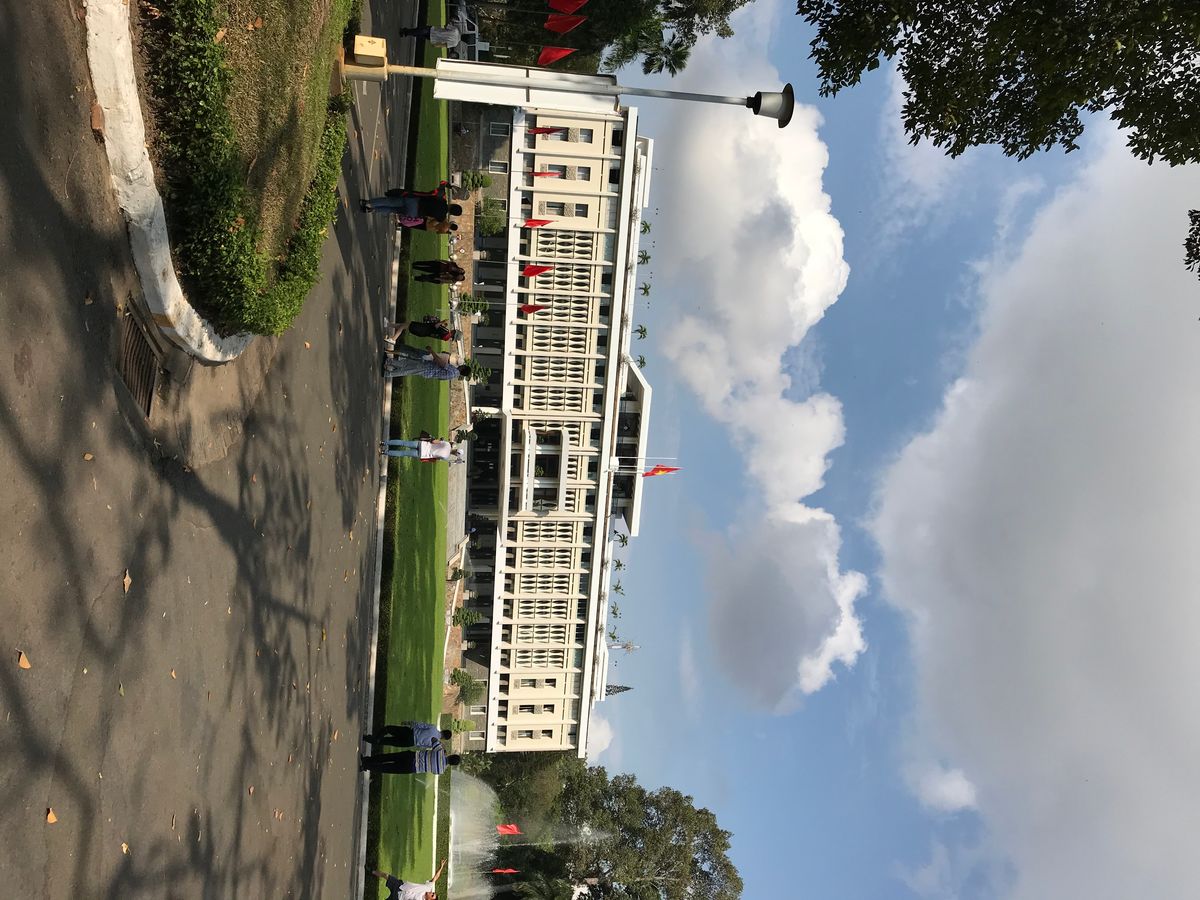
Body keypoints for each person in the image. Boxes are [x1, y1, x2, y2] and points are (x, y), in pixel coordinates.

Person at [360, 741, 462, 775]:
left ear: (451, 755)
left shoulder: (439, 751)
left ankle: (366, 759)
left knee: (388, 757)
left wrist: (442, 747)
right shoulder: (441, 770)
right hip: (412, 768)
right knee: (388, 768)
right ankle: (366, 766)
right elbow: (433, 770)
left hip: (411, 756)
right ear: (451, 765)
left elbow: (434, 739)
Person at [382, 344, 469, 381]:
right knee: (407, 366)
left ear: (463, 368)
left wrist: (432, 351)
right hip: (429, 373)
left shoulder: (454, 370)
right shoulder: (453, 376)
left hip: (427, 368)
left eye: (463, 366)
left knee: (407, 367)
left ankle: (388, 371)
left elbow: (441, 363)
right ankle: (389, 363)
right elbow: (440, 378)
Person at [367, 861, 447, 900]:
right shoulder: (428, 887)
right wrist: (441, 867)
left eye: (432, 895)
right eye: (433, 893)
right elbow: (436, 877)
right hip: (400, 885)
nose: (431, 893)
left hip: (398, 898)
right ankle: (371, 871)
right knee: (386, 876)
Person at [364, 721, 453, 748]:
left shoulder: (433, 728)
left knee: (388, 729)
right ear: (444, 739)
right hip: (411, 743)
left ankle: (375, 738)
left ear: (443, 730)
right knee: (388, 741)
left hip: (410, 732)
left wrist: (409, 723)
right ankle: (370, 739)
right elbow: (422, 746)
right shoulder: (434, 743)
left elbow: (420, 725)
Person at [386, 315, 460, 345]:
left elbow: (436, 326)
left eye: (455, 331)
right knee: (404, 325)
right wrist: (442, 324)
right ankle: (388, 324)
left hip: (423, 328)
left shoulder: (446, 332)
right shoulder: (446, 335)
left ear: (454, 333)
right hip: (424, 331)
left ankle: (393, 339)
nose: (454, 330)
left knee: (403, 326)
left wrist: (442, 322)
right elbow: (437, 330)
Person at [380, 438, 464, 463]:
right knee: (403, 453)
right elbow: (436, 458)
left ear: (456, 448)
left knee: (403, 443)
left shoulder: (447, 444)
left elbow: (434, 441)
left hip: (422, 445)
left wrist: (438, 440)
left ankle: (384, 443)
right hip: (422, 454)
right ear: (456, 455)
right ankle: (384, 452)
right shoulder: (445, 457)